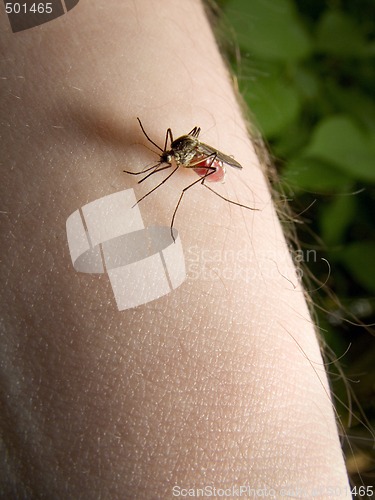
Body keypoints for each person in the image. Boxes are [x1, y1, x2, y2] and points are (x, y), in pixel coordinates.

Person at [0, 1, 351, 497]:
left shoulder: (191, 161)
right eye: (167, 154)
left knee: (185, 183)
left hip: (210, 166)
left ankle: (198, 189)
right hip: (188, 146)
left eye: (168, 156)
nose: (165, 156)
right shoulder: (168, 146)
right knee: (162, 155)